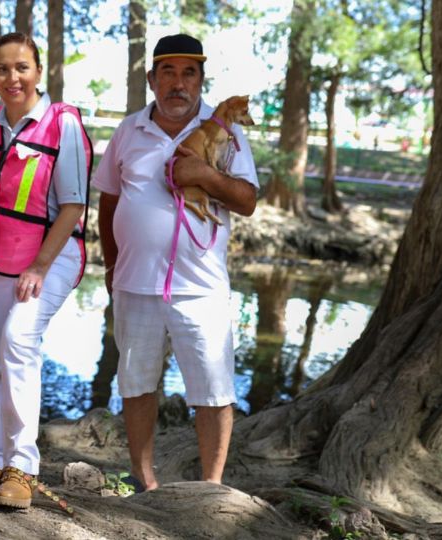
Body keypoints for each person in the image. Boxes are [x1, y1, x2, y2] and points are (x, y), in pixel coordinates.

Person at [92, 34, 258, 491]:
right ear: (152, 79)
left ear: (202, 80)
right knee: (137, 384)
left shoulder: (227, 132)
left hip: (201, 286)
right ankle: (145, 482)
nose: (178, 83)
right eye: (168, 72)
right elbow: (109, 199)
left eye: (189, 73)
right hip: (134, 283)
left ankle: (210, 488)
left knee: (213, 389)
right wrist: (110, 266)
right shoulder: (128, 130)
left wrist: (205, 175)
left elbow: (247, 201)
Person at [0, 32, 92, 509]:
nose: (12, 77)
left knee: (19, 341)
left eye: (22, 67)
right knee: (0, 359)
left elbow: (75, 204)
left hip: (51, 256)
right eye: (2, 68)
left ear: (39, 72)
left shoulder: (62, 124)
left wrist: (41, 266)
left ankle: (23, 466)